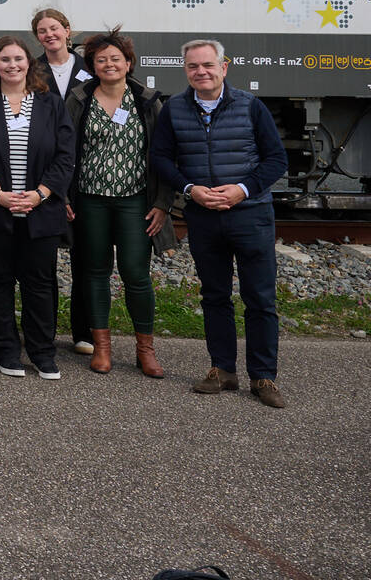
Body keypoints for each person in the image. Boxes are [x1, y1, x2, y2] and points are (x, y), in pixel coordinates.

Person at [150, 39, 288, 408]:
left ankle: (263, 377)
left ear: (224, 67)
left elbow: (276, 160)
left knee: (259, 298)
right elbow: (161, 158)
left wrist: (243, 190)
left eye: (208, 65)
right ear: (185, 70)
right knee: (214, 296)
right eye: (193, 66)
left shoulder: (250, 105)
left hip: (250, 214)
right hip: (203, 216)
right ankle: (223, 370)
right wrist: (189, 189)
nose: (201, 72)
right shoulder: (174, 109)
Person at [0, 36, 76, 380]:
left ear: (29, 63)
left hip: (41, 208)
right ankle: (7, 351)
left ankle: (42, 352)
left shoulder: (51, 104)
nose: (12, 65)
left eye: (18, 59)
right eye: (5, 60)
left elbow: (65, 156)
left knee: (39, 281)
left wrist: (40, 194)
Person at [66, 28, 170, 379]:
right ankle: (103, 348)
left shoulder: (147, 101)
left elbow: (165, 155)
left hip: (134, 201)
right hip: (91, 200)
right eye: (101, 60)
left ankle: (145, 350)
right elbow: (64, 151)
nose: (109, 64)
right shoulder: (79, 99)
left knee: (136, 274)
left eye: (115, 59)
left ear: (128, 63)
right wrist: (64, 195)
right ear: (93, 66)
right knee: (94, 272)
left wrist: (162, 203)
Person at [34, 5, 96, 352]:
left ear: (67, 31)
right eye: (42, 31)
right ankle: (45, 331)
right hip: (46, 170)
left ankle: (83, 332)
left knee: (84, 257)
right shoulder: (31, 69)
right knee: (43, 258)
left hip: (85, 170)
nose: (49, 35)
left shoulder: (90, 68)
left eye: (55, 28)